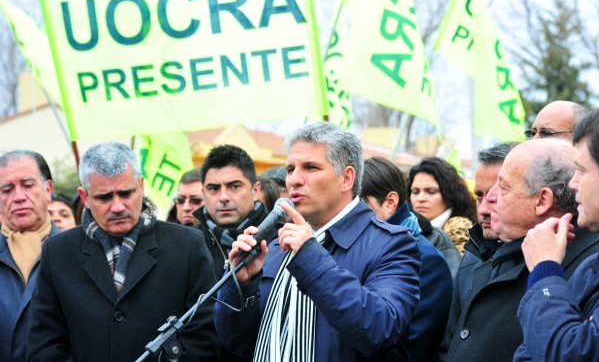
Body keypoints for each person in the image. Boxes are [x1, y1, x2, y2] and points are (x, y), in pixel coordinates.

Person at [215, 122, 421, 360]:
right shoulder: (276, 245)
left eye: (310, 167)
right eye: (290, 169)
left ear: (346, 178)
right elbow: (236, 342)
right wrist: (240, 285)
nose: (294, 180)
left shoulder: (393, 244)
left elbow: (379, 330)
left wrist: (310, 256)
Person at [27, 142, 218, 361]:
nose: (117, 207)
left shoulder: (187, 245)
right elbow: (44, 344)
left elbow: (203, 338)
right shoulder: (57, 252)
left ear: (142, 185)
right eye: (104, 197)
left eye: (126, 193)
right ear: (84, 197)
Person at [443, 138, 599, 362]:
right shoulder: (490, 251)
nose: (490, 199)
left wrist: (545, 271)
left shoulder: (589, 268)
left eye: (503, 186)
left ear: (542, 200)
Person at [514, 102, 599, 361]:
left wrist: (544, 269)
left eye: (581, 170)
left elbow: (568, 353)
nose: (572, 183)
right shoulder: (596, 262)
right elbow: (529, 352)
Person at [361, 156, 452, 362]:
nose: (351, 216)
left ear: (390, 203)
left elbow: (413, 348)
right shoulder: (363, 246)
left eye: (360, 207)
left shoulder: (427, 261)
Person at [193, 144, 271, 362]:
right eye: (213, 188)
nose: (223, 197)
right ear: (203, 192)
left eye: (234, 186)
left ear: (255, 190)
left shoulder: (281, 240)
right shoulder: (187, 242)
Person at [440, 142, 517, 357]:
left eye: (495, 197)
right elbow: (450, 342)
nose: (483, 209)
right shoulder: (472, 256)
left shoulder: (541, 262)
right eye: (479, 195)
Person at [0, 150, 61, 362]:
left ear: (48, 189)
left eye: (28, 185)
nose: (18, 197)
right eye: (7, 190)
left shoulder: (78, 252)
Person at [408, 157, 477, 255]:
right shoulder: (408, 226)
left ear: (450, 195)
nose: (420, 198)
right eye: (415, 192)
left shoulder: (458, 226)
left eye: (431, 192)